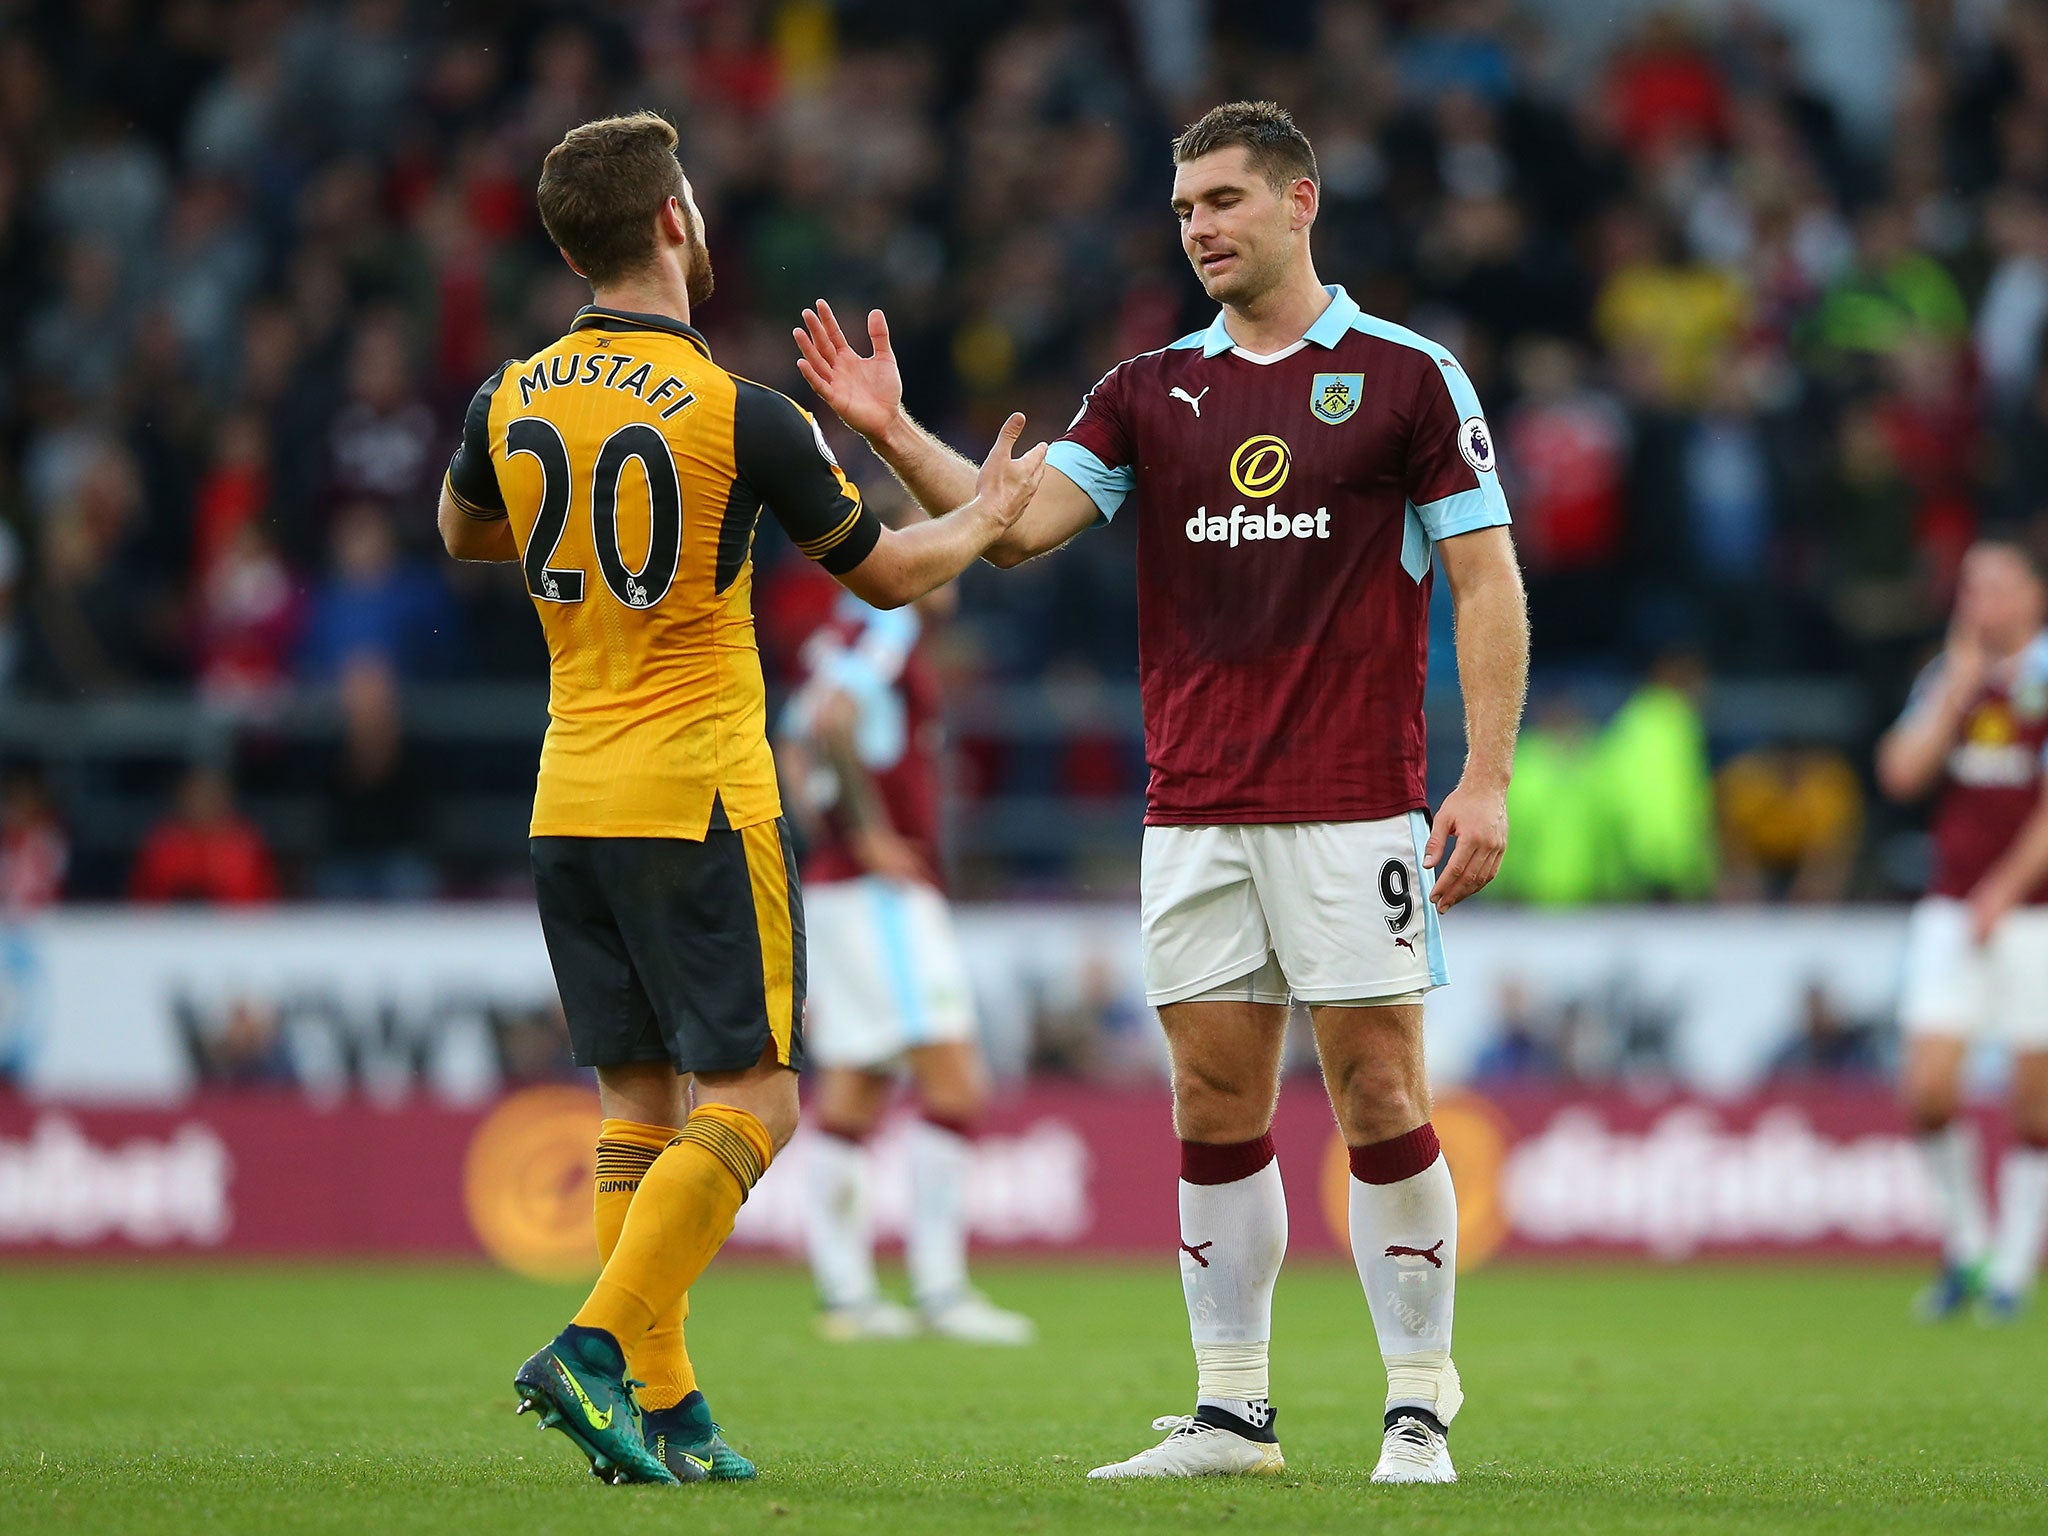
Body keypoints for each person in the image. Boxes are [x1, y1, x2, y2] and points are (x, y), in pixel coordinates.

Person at [795, 100, 1528, 1485]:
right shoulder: (1146, 391)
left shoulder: (1408, 376)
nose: (1200, 228)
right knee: (1210, 1100)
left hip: (1353, 802)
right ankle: (1232, 1412)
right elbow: (1007, 530)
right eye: (1186, 208)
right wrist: (893, 433)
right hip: (1192, 811)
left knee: (1377, 1088)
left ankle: (1420, 1400)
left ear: (1301, 202)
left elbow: (1485, 577)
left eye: (1226, 201)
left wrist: (1484, 778)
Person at [436, 111, 1046, 1487]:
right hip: (700, 794)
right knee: (760, 1097)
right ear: (671, 222)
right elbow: (894, 571)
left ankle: (670, 1412)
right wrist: (992, 513)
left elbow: (464, 531)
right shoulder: (738, 414)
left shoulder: (507, 398)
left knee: (635, 1107)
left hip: (567, 794)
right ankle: (593, 1349)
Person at [778, 579, 1035, 1347]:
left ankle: (848, 1295)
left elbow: (796, 737)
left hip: (844, 892)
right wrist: (864, 837)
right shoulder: (888, 621)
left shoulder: (845, 626)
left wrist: (826, 833)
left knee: (858, 1084)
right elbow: (829, 721)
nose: (958, 571)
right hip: (878, 897)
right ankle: (940, 1289)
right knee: (954, 1079)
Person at [1877, 539, 2048, 1324]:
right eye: (1972, 588)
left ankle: (2013, 1266)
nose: (1983, 604)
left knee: (2035, 1107)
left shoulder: (2044, 678)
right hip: (1950, 905)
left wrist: (2006, 890)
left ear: (2033, 598)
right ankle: (1967, 1248)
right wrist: (1952, 690)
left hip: (2033, 914)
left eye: (2000, 588)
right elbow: (1901, 774)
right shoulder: (1950, 681)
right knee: (1930, 1090)